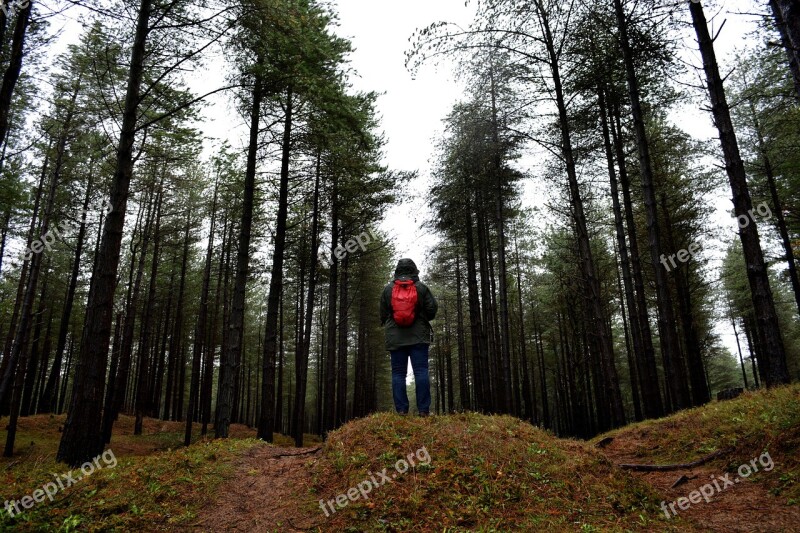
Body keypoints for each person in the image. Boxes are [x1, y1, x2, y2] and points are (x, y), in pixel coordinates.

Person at [380, 258, 438, 416]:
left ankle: (401, 410)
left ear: (397, 270)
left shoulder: (388, 289)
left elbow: (383, 314)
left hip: (395, 337)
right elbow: (432, 309)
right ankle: (424, 410)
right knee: (421, 371)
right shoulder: (421, 288)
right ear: (414, 270)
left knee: (398, 373)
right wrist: (421, 317)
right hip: (419, 336)